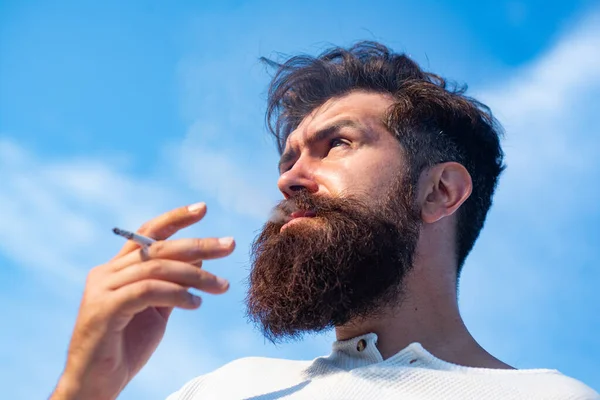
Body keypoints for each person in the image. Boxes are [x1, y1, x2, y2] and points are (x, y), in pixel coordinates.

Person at [50, 42, 599, 400]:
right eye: (287, 161)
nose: (289, 180)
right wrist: (86, 388)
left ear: (440, 191)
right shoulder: (225, 388)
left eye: (335, 144)